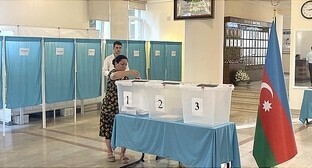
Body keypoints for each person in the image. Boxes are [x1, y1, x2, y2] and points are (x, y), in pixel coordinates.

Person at [99, 55, 140, 164]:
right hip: (109, 107)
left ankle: (123, 154)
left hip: (122, 107)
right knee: (108, 131)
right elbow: (115, 75)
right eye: (122, 64)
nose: (124, 66)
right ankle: (109, 152)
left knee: (124, 130)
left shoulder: (125, 77)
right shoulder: (112, 73)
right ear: (115, 64)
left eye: (125, 64)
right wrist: (130, 72)